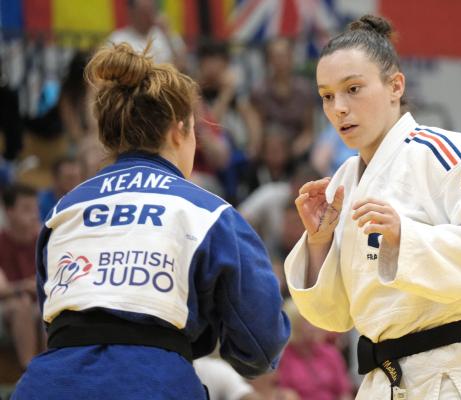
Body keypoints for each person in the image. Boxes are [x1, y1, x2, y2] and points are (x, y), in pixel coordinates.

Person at [12, 42, 289, 400]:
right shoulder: (208, 213)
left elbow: (57, 321)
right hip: (152, 384)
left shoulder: (63, 210)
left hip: (47, 386)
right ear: (179, 130)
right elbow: (262, 346)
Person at [284, 15, 461, 399]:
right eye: (327, 95)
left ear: (395, 85)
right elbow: (333, 316)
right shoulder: (345, 180)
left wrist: (405, 238)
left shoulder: (443, 152)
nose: (339, 108)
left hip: (451, 375)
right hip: (383, 381)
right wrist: (319, 243)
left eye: (353, 89)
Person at [0, 184, 42, 370]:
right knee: (22, 304)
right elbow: (3, 290)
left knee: (48, 308)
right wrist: (25, 286)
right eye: (26, 209)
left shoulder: (45, 239)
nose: (33, 214)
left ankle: (53, 371)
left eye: (35, 208)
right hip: (8, 305)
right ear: (9, 212)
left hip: (38, 302)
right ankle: (29, 370)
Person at [107, 0, 186, 70]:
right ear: (131, 12)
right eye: (144, 11)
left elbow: (183, 66)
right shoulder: (117, 39)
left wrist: (168, 34)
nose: (149, 15)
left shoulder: (165, 34)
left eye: (151, 10)